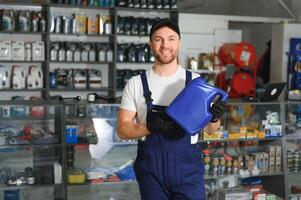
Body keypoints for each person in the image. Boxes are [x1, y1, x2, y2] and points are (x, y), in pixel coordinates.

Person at [117, 18, 225, 200]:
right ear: (151, 44)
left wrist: (214, 118)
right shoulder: (136, 84)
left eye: (171, 39)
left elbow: (210, 130)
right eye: (158, 39)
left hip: (187, 168)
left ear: (179, 43)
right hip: (151, 168)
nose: (165, 45)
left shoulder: (196, 82)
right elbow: (122, 129)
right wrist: (150, 128)